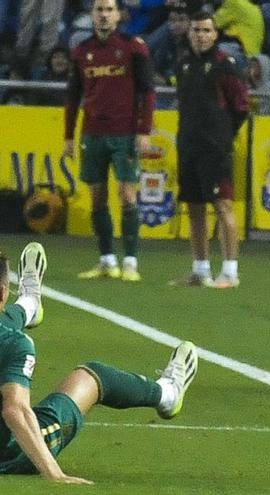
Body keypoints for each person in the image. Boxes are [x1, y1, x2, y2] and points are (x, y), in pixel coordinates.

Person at [0, 242, 199, 482]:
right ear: (3, 293)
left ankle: (29, 304)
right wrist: (55, 474)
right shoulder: (16, 344)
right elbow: (15, 410)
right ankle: (167, 394)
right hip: (10, 451)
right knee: (93, 376)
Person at [64, 0, 156, 282]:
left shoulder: (133, 47)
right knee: (97, 196)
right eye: (99, 10)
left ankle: (130, 261)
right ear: (92, 15)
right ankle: (106, 259)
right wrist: (68, 135)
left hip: (124, 133)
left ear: (118, 15)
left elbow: (148, 92)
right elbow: (72, 96)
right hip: (92, 133)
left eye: (108, 10)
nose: (103, 15)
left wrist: (143, 130)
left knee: (127, 194)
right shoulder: (82, 51)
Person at [171, 11, 249, 289]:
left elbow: (241, 107)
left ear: (215, 35)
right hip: (189, 146)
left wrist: (223, 135)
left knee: (223, 205)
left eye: (206, 30)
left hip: (215, 149)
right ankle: (200, 269)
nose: (201, 35)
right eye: (196, 30)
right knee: (194, 207)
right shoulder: (183, 64)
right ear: (189, 33)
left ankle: (230, 271)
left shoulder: (224, 65)